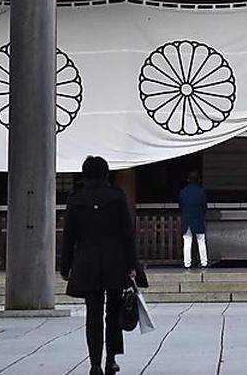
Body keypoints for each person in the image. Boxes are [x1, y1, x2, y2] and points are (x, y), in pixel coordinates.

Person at [61, 156, 147, 375]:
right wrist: (133, 264)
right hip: (115, 260)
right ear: (106, 173)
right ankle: (111, 359)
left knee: (93, 314)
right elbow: (127, 234)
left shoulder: (75, 199)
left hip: (87, 261)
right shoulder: (117, 197)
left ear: (84, 174)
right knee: (113, 312)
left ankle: (94, 364)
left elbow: (69, 236)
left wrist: (66, 266)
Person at [177, 170, 208, 268]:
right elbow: (204, 207)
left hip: (187, 219)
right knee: (201, 241)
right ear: (198, 180)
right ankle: (204, 262)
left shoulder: (183, 192)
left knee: (187, 241)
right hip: (198, 218)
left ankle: (187, 263)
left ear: (188, 180)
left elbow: (181, 206)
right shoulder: (201, 191)